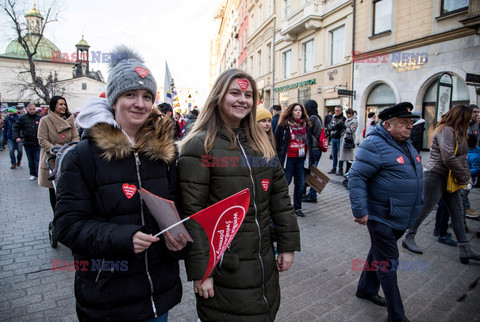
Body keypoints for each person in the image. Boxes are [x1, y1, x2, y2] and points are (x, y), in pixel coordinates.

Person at [54, 46, 189, 321]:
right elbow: (66, 226)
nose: (140, 103)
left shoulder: (164, 153)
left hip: (158, 295)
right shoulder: (82, 156)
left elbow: (176, 208)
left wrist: (180, 237)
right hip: (109, 298)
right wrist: (122, 238)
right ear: (114, 100)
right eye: (130, 95)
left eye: (147, 96)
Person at [178, 68, 300, 321]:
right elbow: (193, 215)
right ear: (219, 97)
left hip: (263, 262)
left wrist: (288, 246)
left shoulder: (261, 143)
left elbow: (281, 200)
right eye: (235, 92)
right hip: (225, 267)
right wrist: (203, 272)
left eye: (248, 94)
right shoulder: (200, 145)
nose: (242, 100)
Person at [348, 102, 422, 322]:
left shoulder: (405, 143)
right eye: (404, 123)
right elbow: (356, 177)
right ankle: (396, 314)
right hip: (381, 216)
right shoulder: (374, 144)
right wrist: (360, 210)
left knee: (378, 253)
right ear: (388, 125)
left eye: (411, 123)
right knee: (388, 263)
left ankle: (366, 289)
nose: (410, 127)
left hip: (399, 214)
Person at [402, 105, 480, 264]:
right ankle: (408, 237)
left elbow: (462, 157)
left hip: (450, 178)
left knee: (458, 212)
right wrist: (465, 176)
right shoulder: (445, 130)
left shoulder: (459, 131)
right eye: (468, 117)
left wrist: (466, 176)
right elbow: (448, 157)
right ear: (460, 117)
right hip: (435, 175)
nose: (471, 119)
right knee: (425, 209)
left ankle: (465, 248)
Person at [38, 96, 79, 213]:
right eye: (60, 104)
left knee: (70, 187)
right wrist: (55, 150)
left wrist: (71, 148)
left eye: (64, 104)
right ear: (54, 105)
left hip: (68, 156)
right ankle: (56, 214)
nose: (63, 107)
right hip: (53, 159)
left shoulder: (70, 120)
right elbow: (42, 139)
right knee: (54, 190)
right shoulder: (45, 121)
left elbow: (75, 136)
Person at [275, 103, 314, 217]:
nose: (298, 112)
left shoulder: (305, 125)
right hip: (289, 160)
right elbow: (276, 140)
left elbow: (310, 141)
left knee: (300, 185)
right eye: (296, 110)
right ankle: (282, 207)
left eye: (300, 110)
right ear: (290, 111)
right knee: (285, 183)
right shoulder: (284, 124)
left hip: (301, 160)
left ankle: (297, 207)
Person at [12, 103, 42, 180]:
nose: (32, 111)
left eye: (33, 109)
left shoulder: (40, 118)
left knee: (37, 158)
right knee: (30, 159)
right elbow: (16, 128)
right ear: (27, 110)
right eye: (30, 109)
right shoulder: (22, 118)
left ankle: (38, 173)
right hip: (28, 142)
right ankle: (32, 173)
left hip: (38, 142)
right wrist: (17, 137)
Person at [303, 99, 323, 203]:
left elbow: (308, 134)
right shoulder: (318, 117)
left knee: (311, 172)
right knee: (312, 171)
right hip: (317, 149)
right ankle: (311, 194)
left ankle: (312, 195)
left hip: (313, 149)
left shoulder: (312, 118)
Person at [338, 108, 358, 176]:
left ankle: (348, 170)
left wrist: (344, 127)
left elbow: (352, 130)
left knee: (349, 156)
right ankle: (345, 170)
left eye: (348, 114)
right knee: (344, 155)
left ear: (351, 114)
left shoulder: (354, 121)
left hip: (349, 139)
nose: (347, 115)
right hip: (344, 138)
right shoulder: (347, 119)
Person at [327, 106, 346, 174]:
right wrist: (334, 126)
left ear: (341, 111)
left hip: (339, 138)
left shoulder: (343, 118)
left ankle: (340, 169)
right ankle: (334, 168)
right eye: (335, 110)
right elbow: (329, 126)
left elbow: (338, 126)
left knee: (340, 154)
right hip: (333, 138)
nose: (336, 112)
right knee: (334, 154)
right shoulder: (334, 118)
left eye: (337, 110)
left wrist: (333, 126)